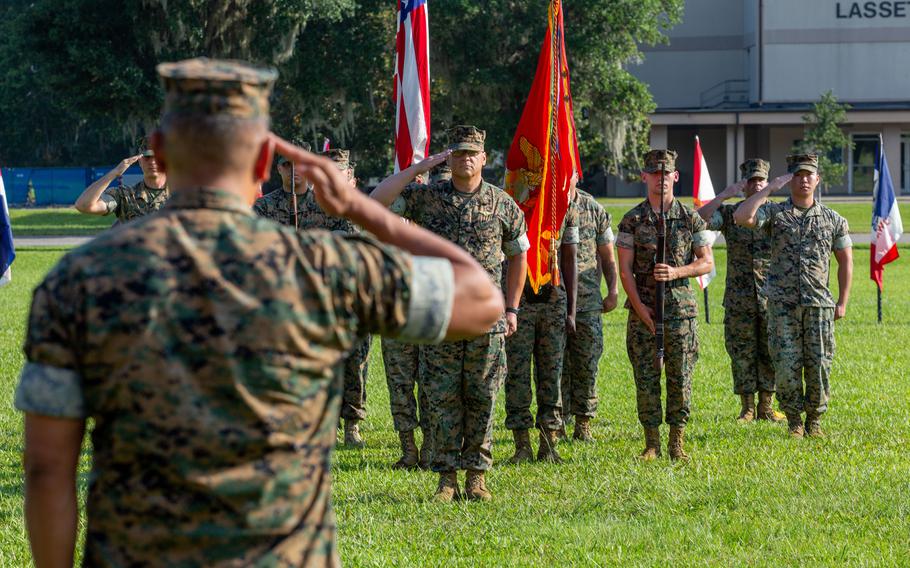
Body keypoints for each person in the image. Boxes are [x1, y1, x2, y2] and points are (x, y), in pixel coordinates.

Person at [15, 57, 502, 567]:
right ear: (265, 161)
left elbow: (47, 469)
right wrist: (359, 208)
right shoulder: (321, 265)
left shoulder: (80, 278)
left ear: (159, 150)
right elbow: (480, 300)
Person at [371, 125, 529, 502]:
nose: (465, 159)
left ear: (484, 158)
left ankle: (477, 476)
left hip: (486, 318)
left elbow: (518, 253)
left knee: (483, 396)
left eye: (472, 153)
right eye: (457, 153)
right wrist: (419, 167)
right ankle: (446, 478)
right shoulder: (427, 198)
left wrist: (512, 308)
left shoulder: (502, 203)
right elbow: (376, 201)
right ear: (449, 157)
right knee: (441, 398)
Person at [254, 146, 371, 448]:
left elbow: (350, 235)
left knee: (351, 362)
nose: (293, 171)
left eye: (298, 165)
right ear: (278, 169)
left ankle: (352, 423)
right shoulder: (264, 207)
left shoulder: (325, 202)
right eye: (285, 165)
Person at [734, 153, 853, 438]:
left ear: (817, 179)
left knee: (819, 364)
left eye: (809, 174)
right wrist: (768, 188)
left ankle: (814, 420)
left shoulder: (833, 219)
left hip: (818, 306)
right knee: (786, 365)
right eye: (797, 175)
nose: (803, 180)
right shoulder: (775, 214)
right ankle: (794, 421)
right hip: (782, 307)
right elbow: (742, 216)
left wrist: (842, 301)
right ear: (789, 180)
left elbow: (846, 260)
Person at [617, 149, 714, 461]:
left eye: (666, 173)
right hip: (643, 310)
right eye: (654, 174)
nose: (661, 179)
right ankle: (651, 443)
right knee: (645, 378)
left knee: (680, 376)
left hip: (680, 312)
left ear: (675, 176)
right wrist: (639, 308)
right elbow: (625, 270)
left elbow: (705, 262)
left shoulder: (690, 218)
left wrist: (677, 272)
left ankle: (677, 442)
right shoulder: (632, 219)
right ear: (645, 177)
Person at [697, 159, 791, 422]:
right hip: (739, 297)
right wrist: (724, 195)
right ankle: (747, 407)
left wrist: (767, 192)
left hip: (770, 294)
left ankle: (766, 405)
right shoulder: (730, 214)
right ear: (744, 184)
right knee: (741, 350)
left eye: (761, 180)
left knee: (770, 350)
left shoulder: (775, 213)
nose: (756, 184)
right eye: (751, 181)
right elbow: (700, 219)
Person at [504, 194, 578, 463]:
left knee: (551, 373)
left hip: (553, 297)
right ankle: (521, 444)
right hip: (519, 298)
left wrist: (571, 309)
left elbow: (570, 257)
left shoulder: (560, 205)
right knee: (517, 374)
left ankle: (549, 443)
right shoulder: (510, 201)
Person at [560, 184, 618, 441]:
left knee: (587, 364)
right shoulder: (545, 205)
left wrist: (613, 290)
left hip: (587, 302)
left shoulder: (593, 208)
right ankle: (557, 422)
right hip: (553, 301)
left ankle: (583, 423)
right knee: (555, 366)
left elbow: (607, 256)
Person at [74, 136, 169, 222]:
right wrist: (114, 173)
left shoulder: (181, 194)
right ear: (140, 161)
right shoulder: (125, 196)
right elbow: (83, 205)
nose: (152, 162)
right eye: (147, 157)